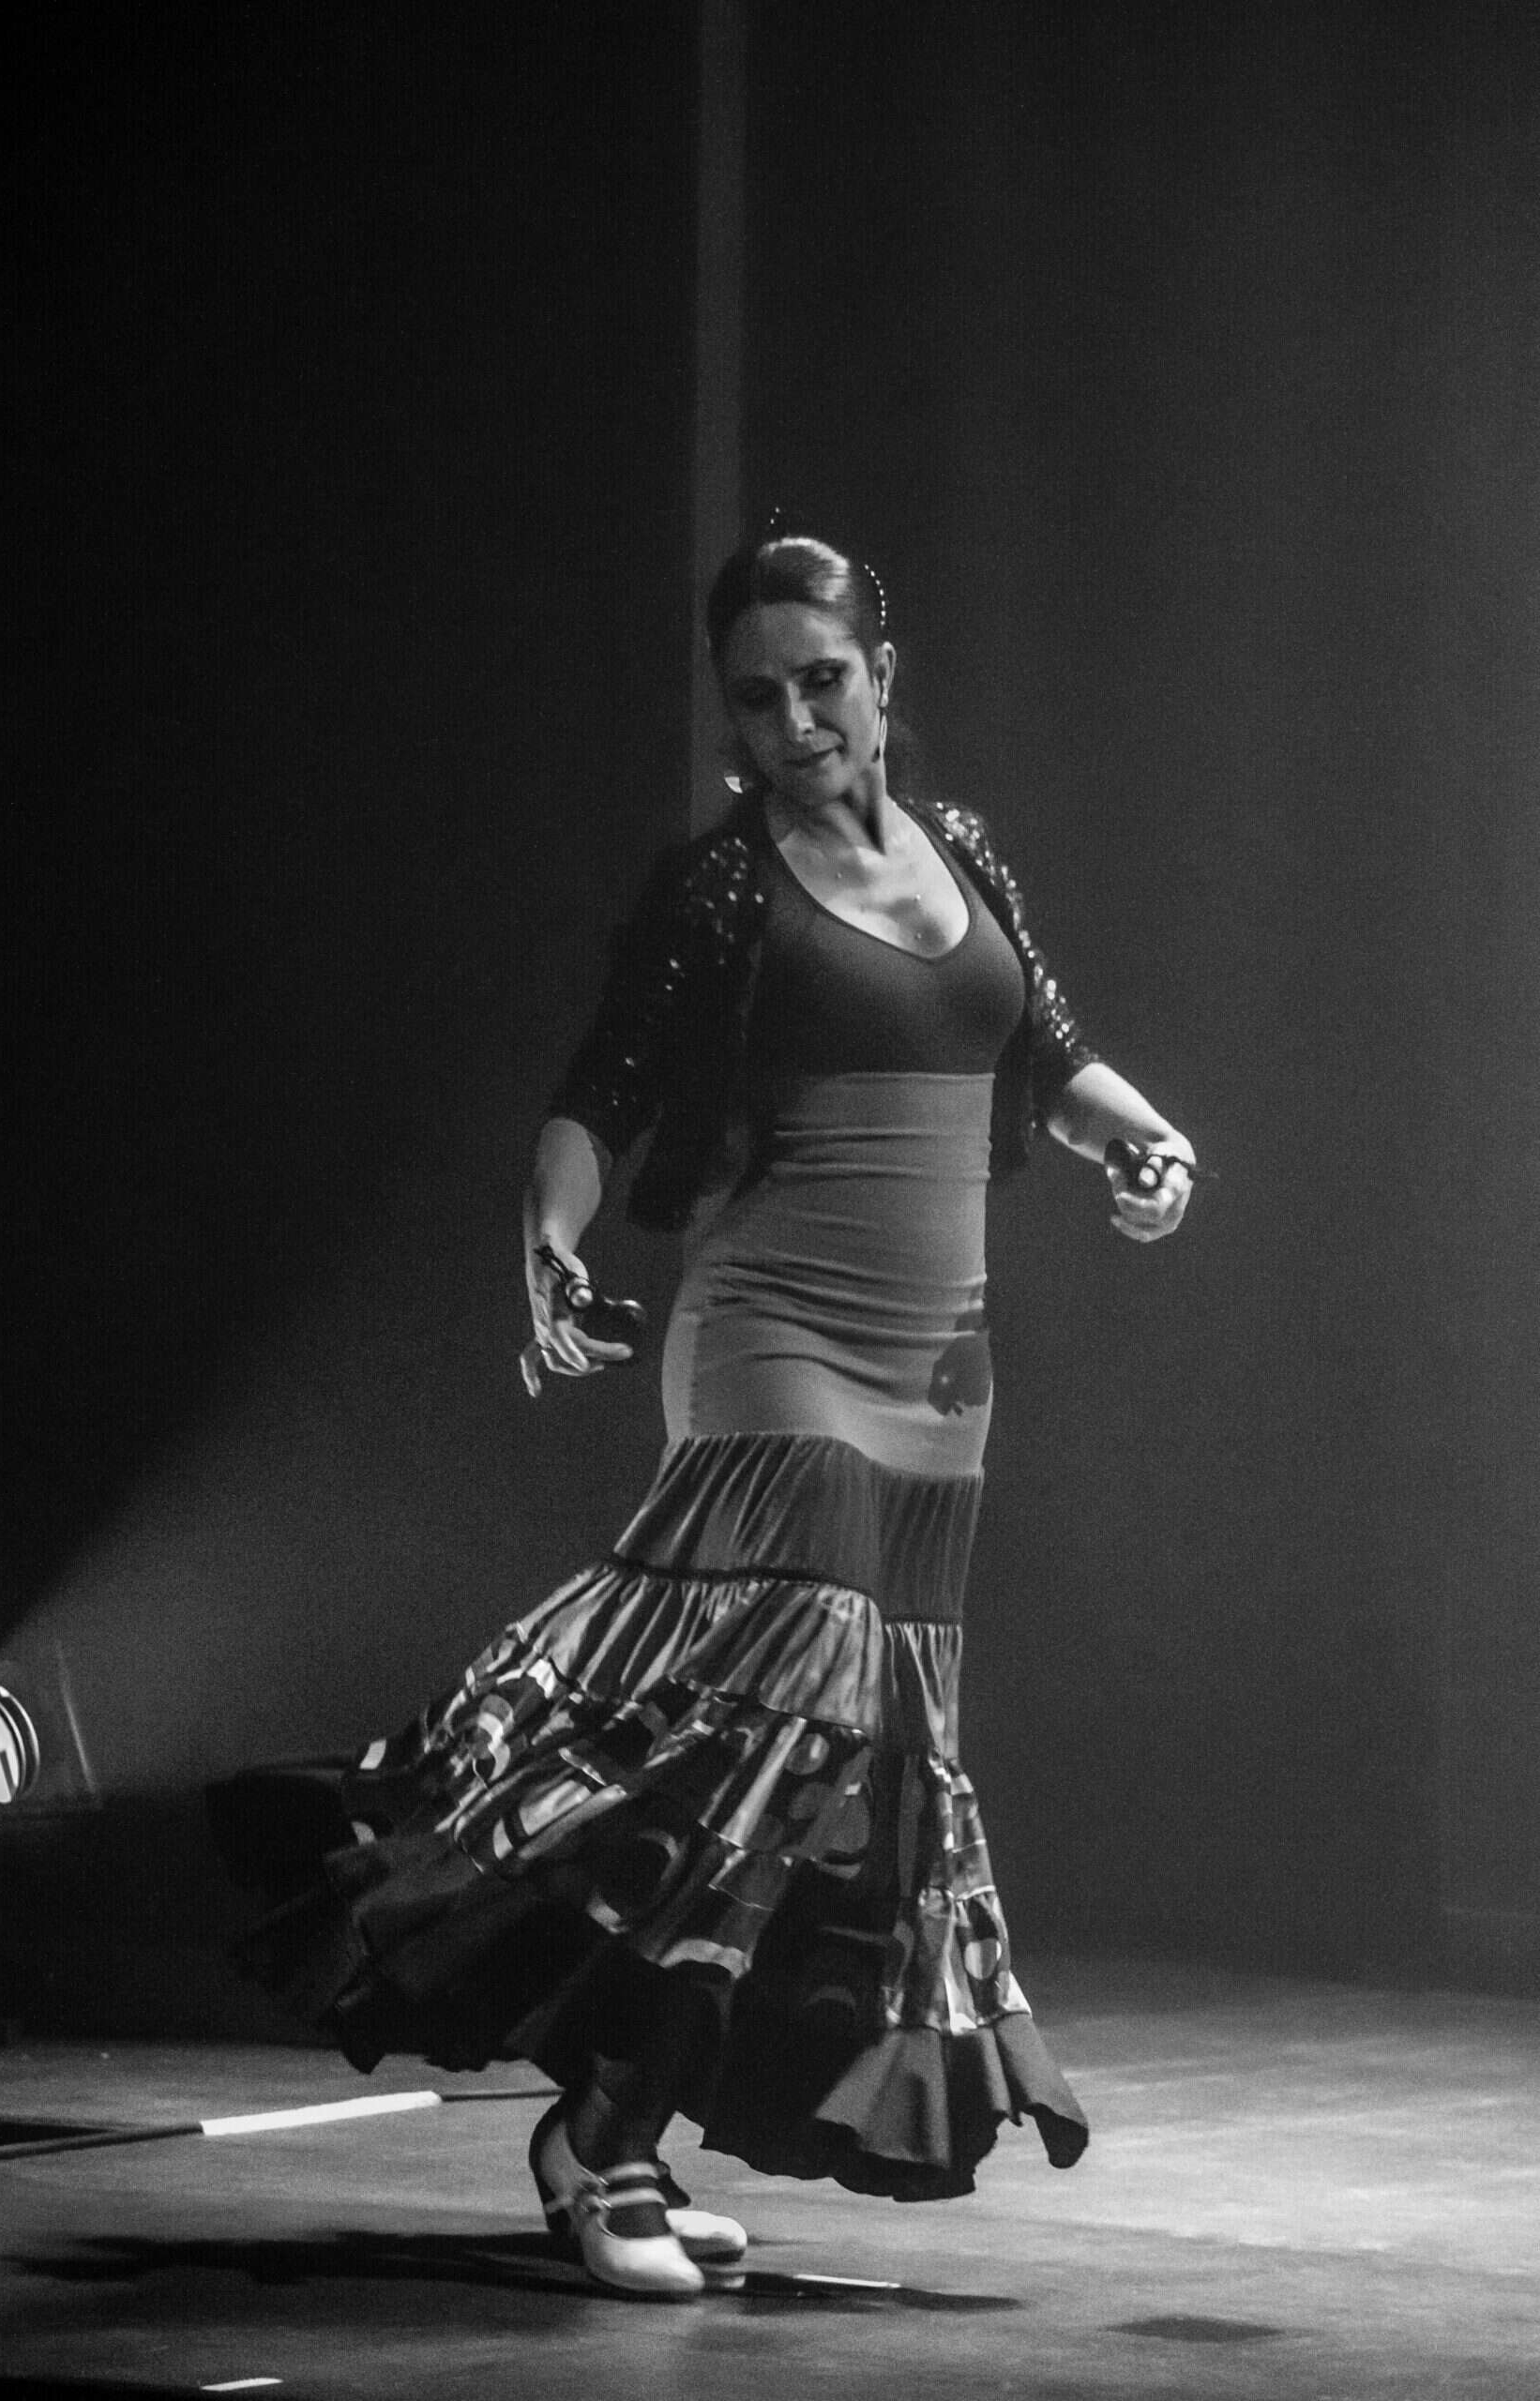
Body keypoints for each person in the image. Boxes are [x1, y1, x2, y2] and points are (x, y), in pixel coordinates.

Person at [241, 532, 1197, 2301]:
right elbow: (600, 1093)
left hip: (941, 1384)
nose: (794, 721)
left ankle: (624, 2119)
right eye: (756, 699)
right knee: (783, 1734)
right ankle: (593, 2144)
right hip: (776, 1351)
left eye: (822, 681)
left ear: (883, 675)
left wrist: (1143, 1142)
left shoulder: (965, 850)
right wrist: (545, 1246)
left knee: (834, 1785)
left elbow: (1044, 1056)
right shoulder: (722, 890)